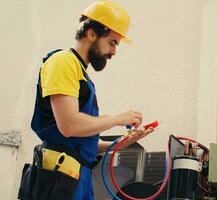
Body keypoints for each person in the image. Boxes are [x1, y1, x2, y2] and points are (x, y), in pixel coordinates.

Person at [29, 1, 154, 199]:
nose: (114, 52)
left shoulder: (81, 75)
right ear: (91, 33)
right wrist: (117, 119)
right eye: (112, 42)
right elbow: (69, 126)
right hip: (60, 178)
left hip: (77, 175)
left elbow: (82, 144)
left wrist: (123, 142)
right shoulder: (63, 61)